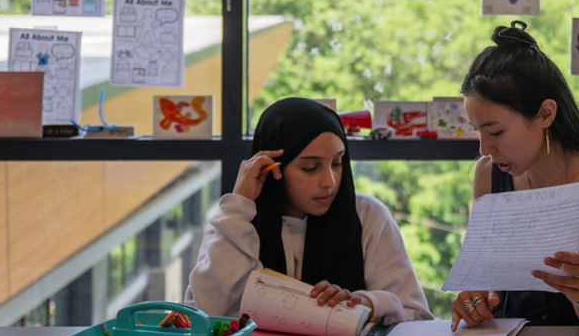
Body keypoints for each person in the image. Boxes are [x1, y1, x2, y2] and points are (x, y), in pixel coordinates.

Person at [451, 20, 579, 331]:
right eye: (477, 131)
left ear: (545, 114)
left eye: (496, 131)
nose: (485, 148)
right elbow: (493, 288)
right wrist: (477, 299)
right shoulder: (488, 174)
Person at [185, 97, 433, 324]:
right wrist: (238, 205)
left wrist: (365, 303)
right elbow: (208, 312)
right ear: (273, 169)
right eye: (310, 168)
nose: (330, 181)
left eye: (337, 163)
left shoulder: (367, 216)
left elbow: (416, 316)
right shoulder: (236, 219)